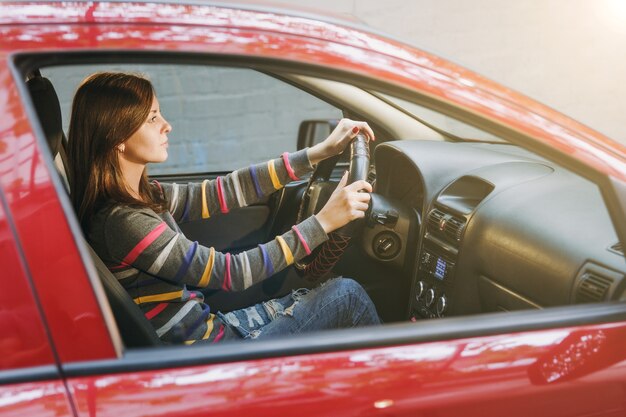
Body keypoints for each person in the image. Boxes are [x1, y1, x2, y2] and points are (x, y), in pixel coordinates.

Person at [68, 72, 380, 344]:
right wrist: (322, 223)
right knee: (347, 297)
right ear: (116, 136)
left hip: (211, 333)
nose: (167, 126)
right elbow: (231, 273)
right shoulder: (124, 222)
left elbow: (224, 191)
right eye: (152, 118)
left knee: (322, 296)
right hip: (207, 358)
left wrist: (317, 153)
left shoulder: (143, 195)